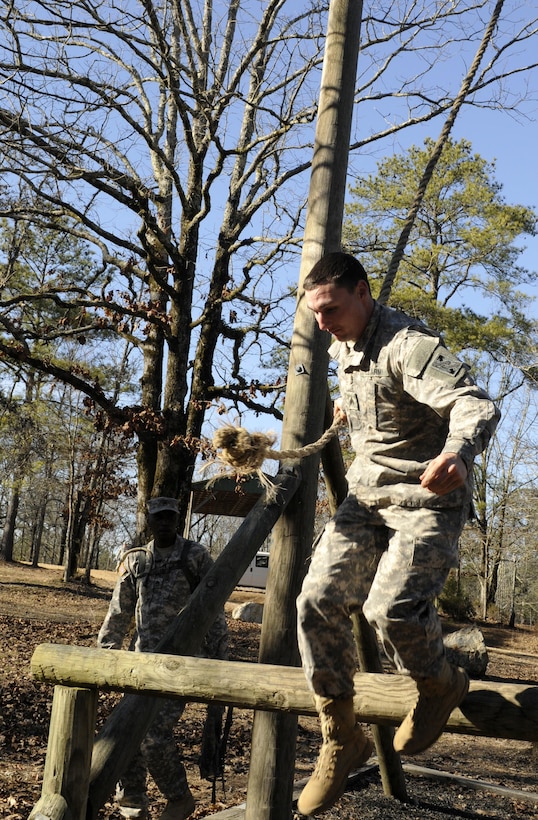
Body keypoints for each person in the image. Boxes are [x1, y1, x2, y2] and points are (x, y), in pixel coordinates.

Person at [296, 252, 500, 816]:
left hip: (425, 497)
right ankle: (341, 737)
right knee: (315, 600)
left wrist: (458, 452)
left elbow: (472, 402)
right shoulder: (342, 342)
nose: (322, 324)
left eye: (331, 309)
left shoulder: (410, 347)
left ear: (363, 293)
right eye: (315, 314)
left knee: (391, 610)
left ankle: (438, 683)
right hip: (368, 497)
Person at [98, 497, 229, 820]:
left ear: (178, 519)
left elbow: (214, 610)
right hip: (140, 664)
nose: (165, 523)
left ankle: (179, 798)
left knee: (153, 736)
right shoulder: (137, 560)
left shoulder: (195, 557)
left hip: (180, 667)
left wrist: (220, 658)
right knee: (127, 729)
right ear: (150, 521)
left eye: (171, 517)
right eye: (159, 518)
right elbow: (119, 612)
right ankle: (133, 803)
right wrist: (107, 654)